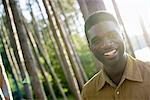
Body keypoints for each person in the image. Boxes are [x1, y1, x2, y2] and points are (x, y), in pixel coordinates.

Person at [81, 11, 150, 100]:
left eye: (112, 35)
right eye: (97, 41)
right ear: (90, 47)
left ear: (123, 36)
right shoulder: (88, 93)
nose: (106, 44)